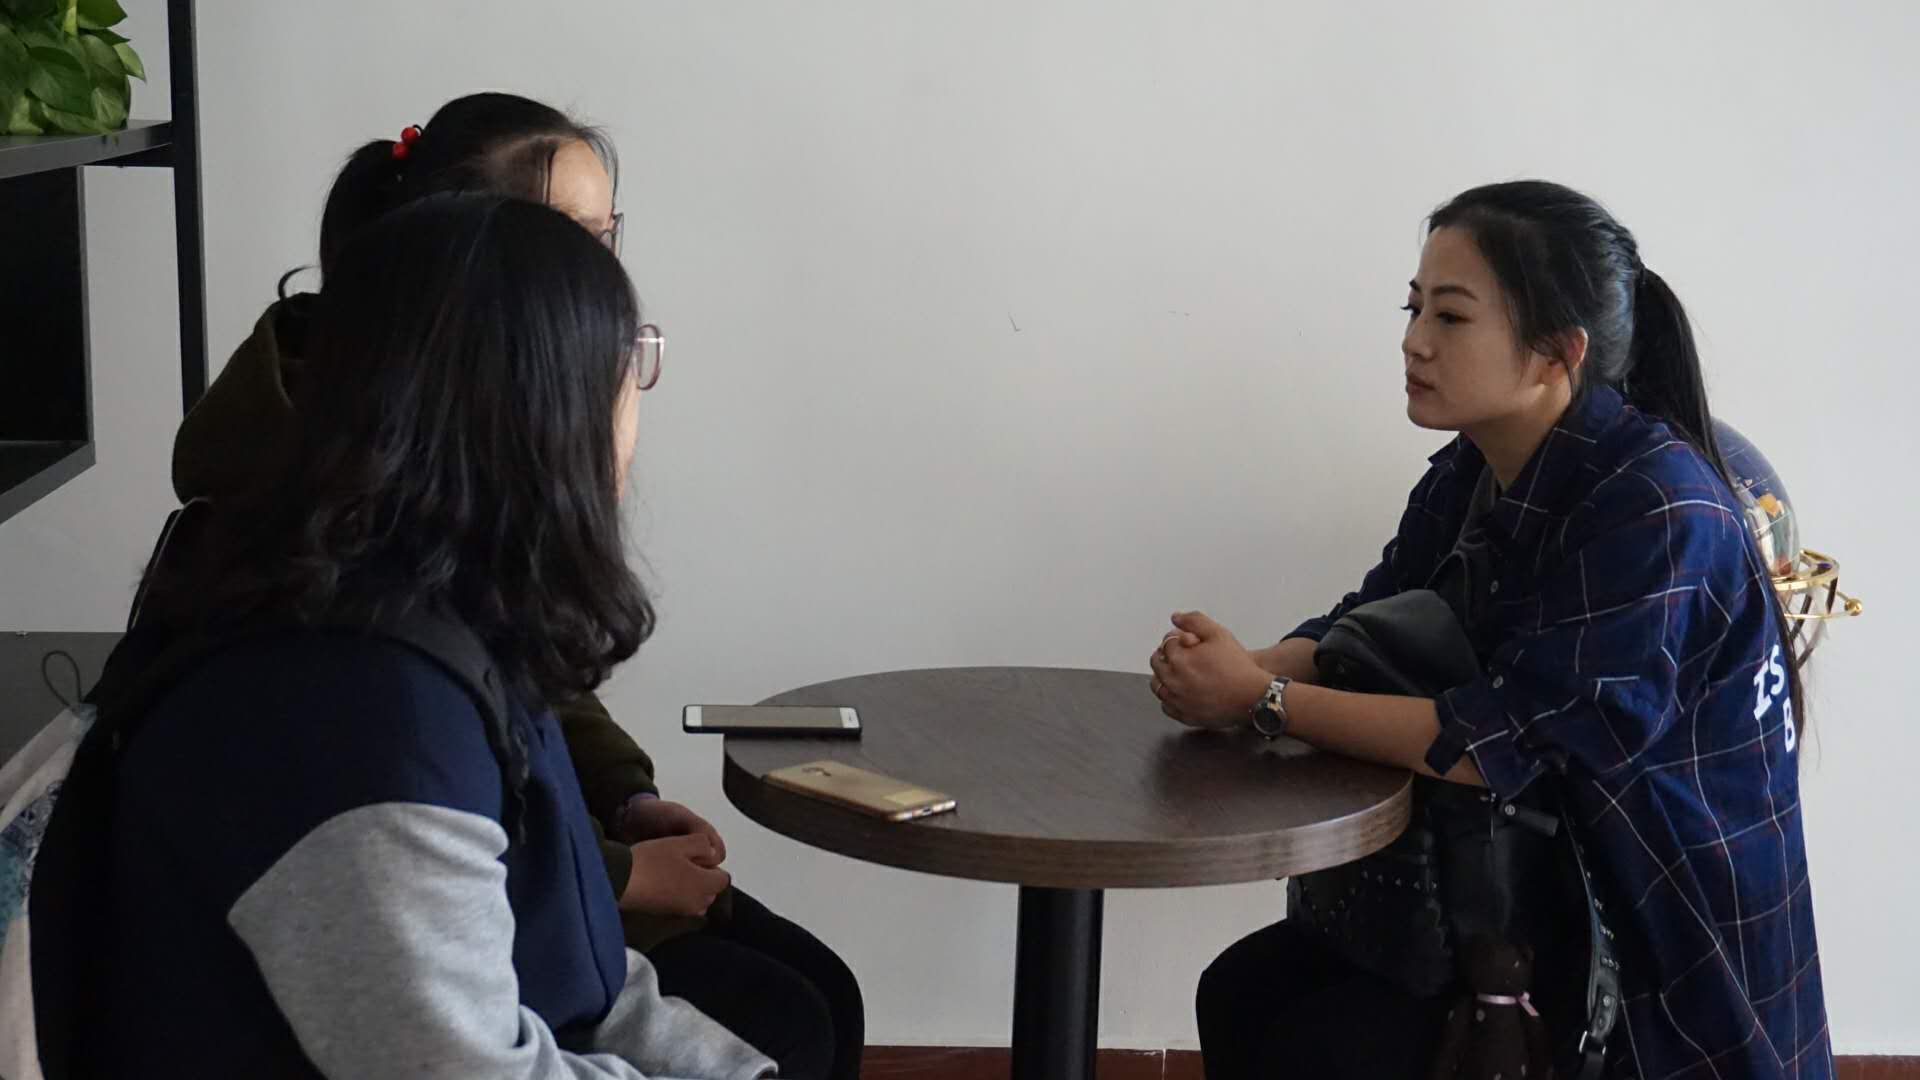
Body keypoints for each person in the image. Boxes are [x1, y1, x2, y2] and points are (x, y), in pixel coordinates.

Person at [168, 93, 861, 1079]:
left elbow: (576, 976)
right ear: (521, 376)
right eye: (625, 359)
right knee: (788, 1010)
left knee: (800, 1005)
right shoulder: (366, 699)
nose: (631, 392)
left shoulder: (425, 602)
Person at [1151, 181, 1830, 1079]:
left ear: (1557, 353)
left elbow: (1497, 743)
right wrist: (1236, 667)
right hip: (1526, 890)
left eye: (1451, 315)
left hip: (1651, 939)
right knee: (1245, 994)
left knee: (1317, 1042)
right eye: (1413, 308)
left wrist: (1265, 699)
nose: (1414, 340)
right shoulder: (1475, 462)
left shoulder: (1660, 508)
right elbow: (1372, 618)